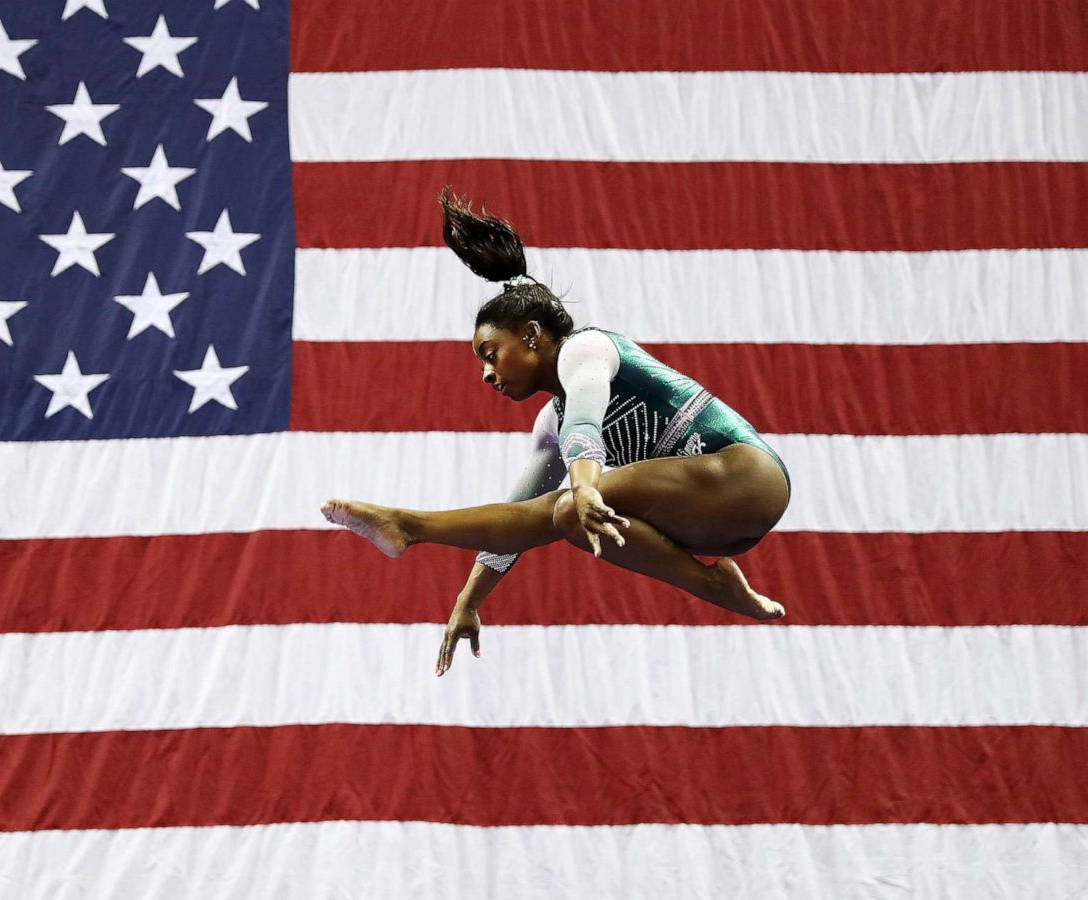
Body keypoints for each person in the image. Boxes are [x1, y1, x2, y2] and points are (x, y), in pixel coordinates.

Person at [321, 188, 793, 677]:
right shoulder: (551, 423)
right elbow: (517, 514)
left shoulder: (585, 348)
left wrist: (586, 484)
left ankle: (410, 526)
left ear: (530, 334)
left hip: (747, 478)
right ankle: (716, 586)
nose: (487, 374)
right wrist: (469, 599)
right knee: (566, 513)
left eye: (490, 353)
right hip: (719, 528)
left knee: (571, 504)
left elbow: (588, 415)